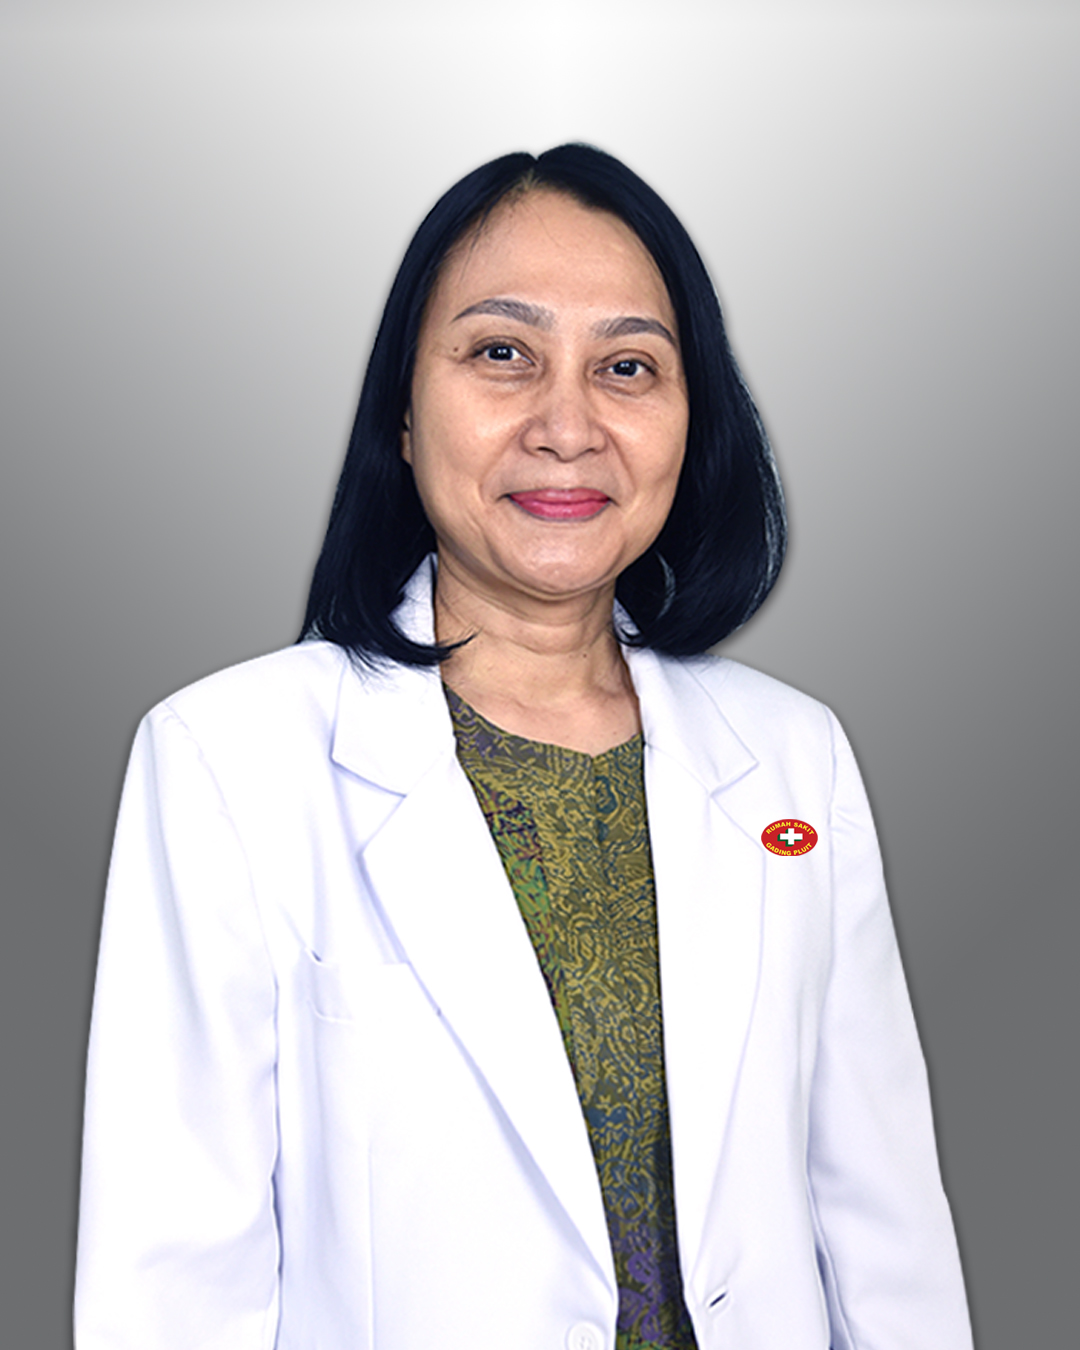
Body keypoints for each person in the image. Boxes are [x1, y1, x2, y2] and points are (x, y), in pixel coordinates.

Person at [75, 145, 974, 1350]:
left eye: (627, 367)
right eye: (503, 354)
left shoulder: (792, 756)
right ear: (404, 412)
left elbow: (884, 1226)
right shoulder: (226, 761)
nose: (567, 426)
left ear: (691, 420)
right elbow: (172, 1281)